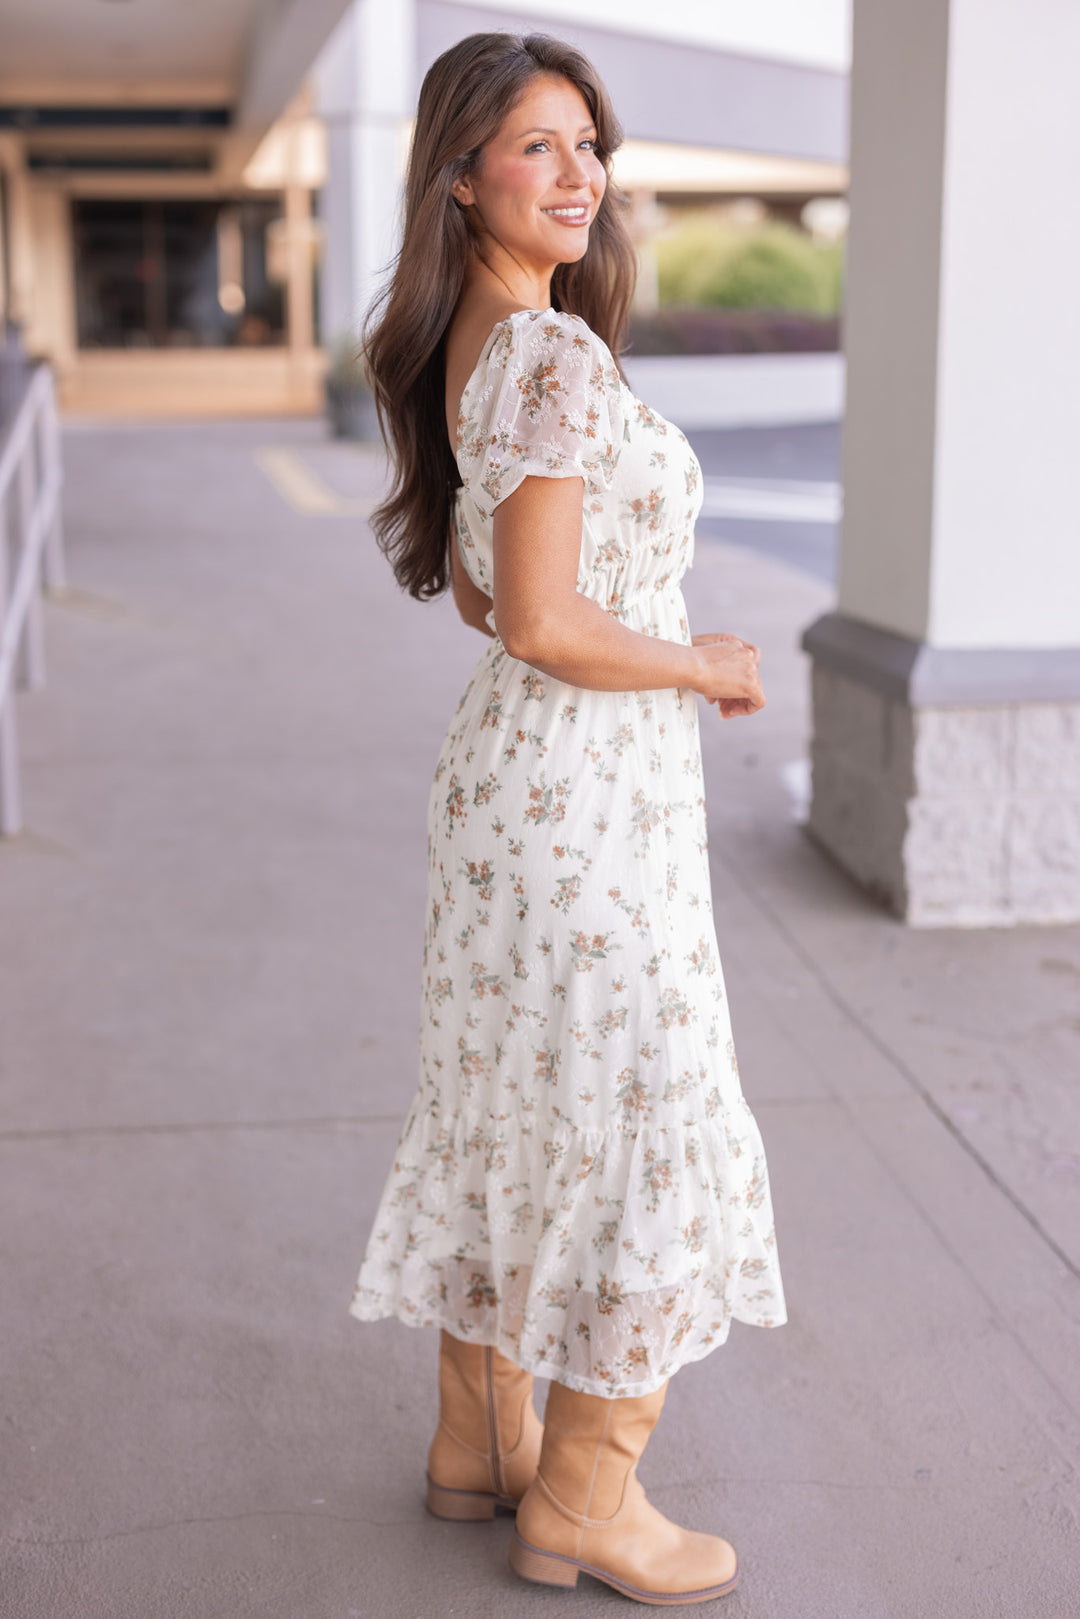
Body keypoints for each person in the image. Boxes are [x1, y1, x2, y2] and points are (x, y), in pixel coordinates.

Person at [349, 31, 786, 1605]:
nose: (579, 172)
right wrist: (699, 661)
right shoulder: (547, 356)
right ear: (462, 175)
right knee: (641, 1111)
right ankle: (590, 1499)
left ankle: (480, 1444)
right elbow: (538, 617)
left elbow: (486, 596)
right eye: (538, 144)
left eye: (589, 143)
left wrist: (624, 629)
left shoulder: (477, 343)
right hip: (586, 797)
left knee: (523, 1102)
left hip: (524, 789)